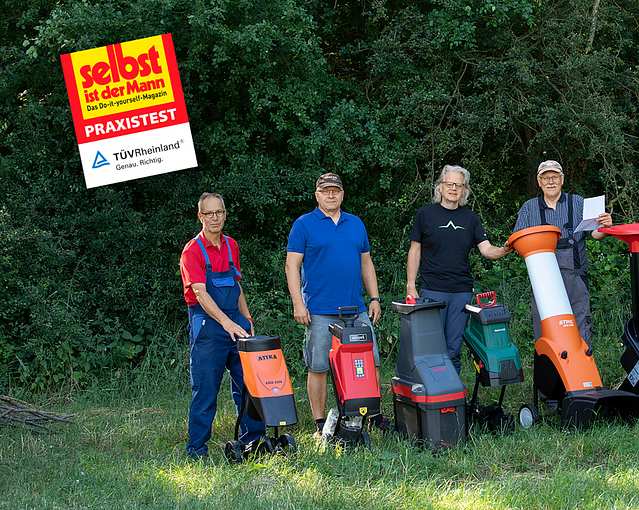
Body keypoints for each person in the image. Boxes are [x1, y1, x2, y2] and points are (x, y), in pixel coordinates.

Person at [285, 172, 383, 436]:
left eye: (335, 191)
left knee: (370, 362)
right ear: (317, 194)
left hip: (356, 309)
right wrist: (298, 303)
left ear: (342, 194)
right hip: (319, 311)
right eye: (325, 191)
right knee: (318, 366)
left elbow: (366, 262)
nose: (331, 195)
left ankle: (371, 414)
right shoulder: (304, 225)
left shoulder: (355, 224)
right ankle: (319, 422)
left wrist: (374, 298)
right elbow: (292, 266)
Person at [179, 192, 263, 459]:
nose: (215, 218)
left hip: (235, 321)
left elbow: (236, 285)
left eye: (219, 212)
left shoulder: (231, 245)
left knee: (250, 385)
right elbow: (201, 293)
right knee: (205, 390)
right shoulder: (192, 250)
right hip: (207, 325)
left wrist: (246, 319)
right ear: (200, 216)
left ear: (225, 214)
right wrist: (226, 323)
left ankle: (253, 442)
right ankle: (197, 449)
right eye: (209, 213)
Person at [406, 165, 511, 373]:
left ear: (465, 190)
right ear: (440, 187)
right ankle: (433, 398)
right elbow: (414, 250)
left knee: (453, 349)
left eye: (459, 185)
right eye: (450, 184)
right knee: (432, 348)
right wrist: (410, 285)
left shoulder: (470, 219)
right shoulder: (425, 214)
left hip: (461, 292)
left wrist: (507, 248)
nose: (454, 188)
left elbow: (487, 250)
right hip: (432, 290)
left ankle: (453, 398)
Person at [513, 160, 612, 349]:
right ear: (539, 181)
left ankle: (582, 372)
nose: (550, 181)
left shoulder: (578, 203)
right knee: (545, 330)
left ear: (562, 179)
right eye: (545, 177)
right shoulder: (528, 208)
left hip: (576, 278)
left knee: (580, 327)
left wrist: (605, 226)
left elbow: (595, 234)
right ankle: (548, 373)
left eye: (555, 177)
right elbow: (517, 243)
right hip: (542, 282)